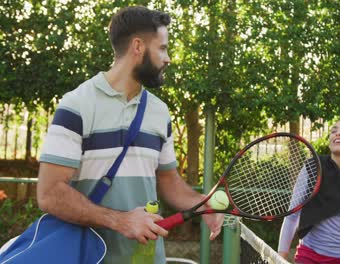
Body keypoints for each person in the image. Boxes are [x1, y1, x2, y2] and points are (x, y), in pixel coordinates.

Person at [36, 6, 223, 264]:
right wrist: (121, 221)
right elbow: (49, 193)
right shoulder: (76, 105)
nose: (168, 58)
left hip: (147, 259)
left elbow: (169, 181)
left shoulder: (159, 112)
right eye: (163, 48)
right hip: (89, 258)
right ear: (138, 47)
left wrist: (203, 203)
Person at [278, 119, 340, 264]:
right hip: (308, 255)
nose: (338, 133)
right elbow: (292, 217)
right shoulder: (312, 169)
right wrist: (280, 256)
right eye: (334, 131)